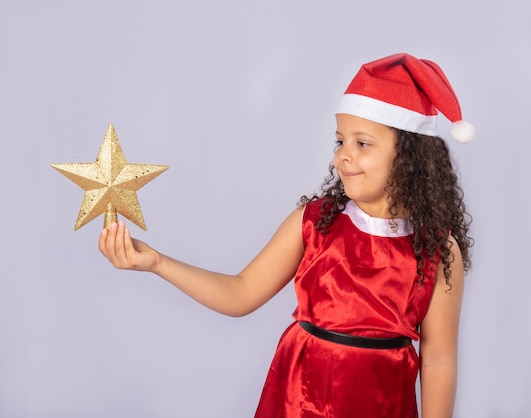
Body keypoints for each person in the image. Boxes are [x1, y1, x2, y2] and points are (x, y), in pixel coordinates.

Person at [99, 53, 474, 418]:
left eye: (362, 143)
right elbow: (241, 292)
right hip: (298, 399)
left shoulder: (438, 251)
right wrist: (158, 262)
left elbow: (439, 359)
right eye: (339, 141)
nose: (342, 156)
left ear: (409, 155)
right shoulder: (315, 222)